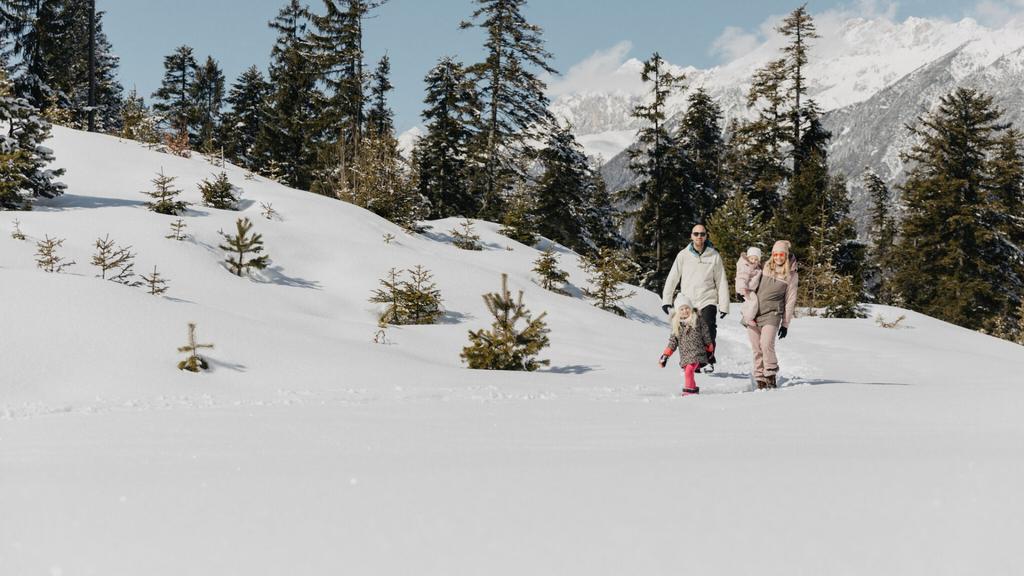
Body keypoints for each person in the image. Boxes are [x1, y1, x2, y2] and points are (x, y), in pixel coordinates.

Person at [661, 224, 730, 370]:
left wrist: (724, 305)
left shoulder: (714, 255)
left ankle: (709, 359)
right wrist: (667, 300)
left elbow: (721, 280)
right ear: (691, 236)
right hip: (689, 302)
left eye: (702, 234)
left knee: (709, 328)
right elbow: (673, 278)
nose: (699, 237)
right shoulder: (683, 255)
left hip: (708, 299)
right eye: (696, 234)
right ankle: (696, 362)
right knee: (691, 333)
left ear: (706, 236)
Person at [747, 240, 799, 390]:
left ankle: (770, 375)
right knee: (756, 348)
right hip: (754, 312)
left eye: (781, 254)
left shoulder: (791, 274)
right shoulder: (764, 267)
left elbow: (790, 300)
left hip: (773, 313)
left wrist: (785, 324)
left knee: (766, 344)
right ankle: (760, 379)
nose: (778, 257)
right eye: (775, 254)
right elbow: (746, 274)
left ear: (786, 255)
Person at [658, 294, 714, 396]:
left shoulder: (698, 320)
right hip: (685, 355)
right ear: (678, 312)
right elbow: (673, 342)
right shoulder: (677, 325)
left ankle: (688, 392)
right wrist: (666, 355)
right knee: (689, 372)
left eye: (687, 308)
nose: (685, 311)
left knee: (689, 371)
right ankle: (693, 390)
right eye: (682, 309)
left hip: (697, 352)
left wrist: (709, 346)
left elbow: (705, 333)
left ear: (691, 308)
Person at [735, 246, 763, 328]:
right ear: (748, 258)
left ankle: (744, 312)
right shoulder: (746, 266)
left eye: (756, 259)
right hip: (745, 289)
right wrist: (742, 288)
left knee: (749, 302)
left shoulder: (756, 267)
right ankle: (748, 318)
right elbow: (742, 277)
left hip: (749, 289)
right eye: (752, 258)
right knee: (754, 301)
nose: (754, 261)